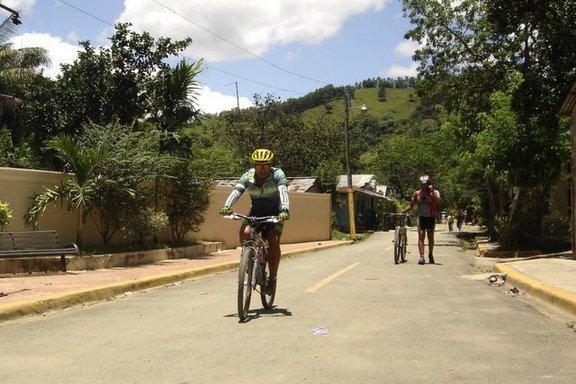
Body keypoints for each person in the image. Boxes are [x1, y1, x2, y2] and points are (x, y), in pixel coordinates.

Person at [218, 149, 290, 294]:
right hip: (256, 214)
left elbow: (283, 192)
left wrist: (285, 210)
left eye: (265, 165)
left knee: (273, 240)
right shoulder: (248, 176)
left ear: (270, 165)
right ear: (254, 165)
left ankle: (273, 279)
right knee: (244, 233)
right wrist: (227, 206)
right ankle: (249, 266)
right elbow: (237, 191)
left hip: (276, 214)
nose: (262, 169)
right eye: (258, 165)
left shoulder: (278, 174)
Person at [403, 175, 442, 265]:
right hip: (421, 217)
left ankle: (430, 254)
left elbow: (439, 201)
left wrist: (432, 192)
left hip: (431, 217)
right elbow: (411, 204)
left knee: (430, 236)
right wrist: (404, 211)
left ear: (429, 183)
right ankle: (422, 256)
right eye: (422, 184)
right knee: (421, 235)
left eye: (425, 184)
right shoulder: (417, 194)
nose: (423, 186)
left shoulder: (435, 192)